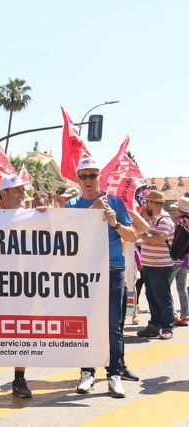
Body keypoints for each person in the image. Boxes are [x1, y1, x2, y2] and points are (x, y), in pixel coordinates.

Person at [65, 158, 136, 399]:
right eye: (83, 176)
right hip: (84, 272)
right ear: (78, 179)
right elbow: (66, 238)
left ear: (99, 177)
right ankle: (87, 372)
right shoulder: (72, 204)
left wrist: (114, 222)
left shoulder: (115, 202)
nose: (87, 181)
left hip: (113, 269)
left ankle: (114, 374)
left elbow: (132, 235)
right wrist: (91, 212)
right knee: (85, 325)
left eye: (92, 175)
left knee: (113, 326)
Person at [0, 175, 39, 399]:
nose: (22, 194)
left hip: (23, 285)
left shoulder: (32, 216)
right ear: (3, 194)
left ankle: (19, 378)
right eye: (17, 190)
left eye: (23, 190)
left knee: (21, 331)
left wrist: (46, 215)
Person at [132, 191, 176, 339]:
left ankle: (167, 327)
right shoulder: (153, 220)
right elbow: (146, 240)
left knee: (162, 296)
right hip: (150, 265)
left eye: (145, 202)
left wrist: (141, 234)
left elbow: (158, 239)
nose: (144, 205)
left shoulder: (164, 220)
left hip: (160, 266)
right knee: (151, 295)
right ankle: (155, 325)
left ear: (151, 203)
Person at [169, 197, 189, 327]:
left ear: (180, 209)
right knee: (182, 288)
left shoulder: (176, 222)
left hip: (174, 259)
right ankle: (185, 315)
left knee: (166, 287)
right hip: (186, 260)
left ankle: (173, 315)